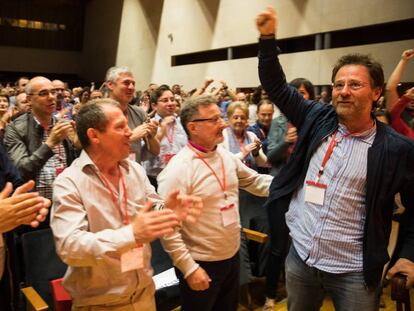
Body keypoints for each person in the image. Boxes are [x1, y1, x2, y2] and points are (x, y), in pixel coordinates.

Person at [257, 6, 414, 311]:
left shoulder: (396, 149)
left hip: (353, 271)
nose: (343, 91)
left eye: (354, 85)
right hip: (301, 257)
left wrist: (408, 254)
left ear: (376, 93)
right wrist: (266, 39)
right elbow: (276, 86)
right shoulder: (317, 117)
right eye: (338, 85)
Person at [51, 98, 202, 310]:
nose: (130, 132)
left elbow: (152, 209)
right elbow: (70, 248)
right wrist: (132, 235)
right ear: (94, 135)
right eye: (120, 127)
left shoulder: (133, 170)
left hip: (145, 295)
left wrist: (168, 212)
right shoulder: (69, 182)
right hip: (101, 304)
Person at [158, 95, 273, 311]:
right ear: (193, 127)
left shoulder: (223, 155)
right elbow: (168, 229)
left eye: (220, 118)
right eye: (214, 120)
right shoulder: (178, 170)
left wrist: (293, 185)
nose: (223, 124)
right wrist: (189, 268)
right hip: (201, 263)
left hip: (231, 256)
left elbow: (255, 181)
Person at [4, 76, 78, 202]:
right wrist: (49, 144)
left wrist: (78, 145)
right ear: (29, 99)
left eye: (53, 92)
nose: (51, 97)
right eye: (43, 93)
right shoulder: (15, 128)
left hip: (64, 202)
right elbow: (20, 171)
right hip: (35, 205)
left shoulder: (62, 125)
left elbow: (74, 166)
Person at [106, 66, 160, 164]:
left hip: (133, 172)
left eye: (133, 84)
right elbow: (96, 149)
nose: (131, 87)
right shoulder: (98, 112)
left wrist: (151, 136)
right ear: (110, 85)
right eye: (126, 83)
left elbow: (156, 151)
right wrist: (131, 137)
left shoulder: (139, 113)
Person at [143, 85, 187, 188]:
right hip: (155, 180)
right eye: (165, 100)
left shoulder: (182, 123)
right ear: (154, 106)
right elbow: (145, 153)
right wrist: (162, 129)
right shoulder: (149, 124)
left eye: (172, 99)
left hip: (180, 178)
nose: (171, 103)